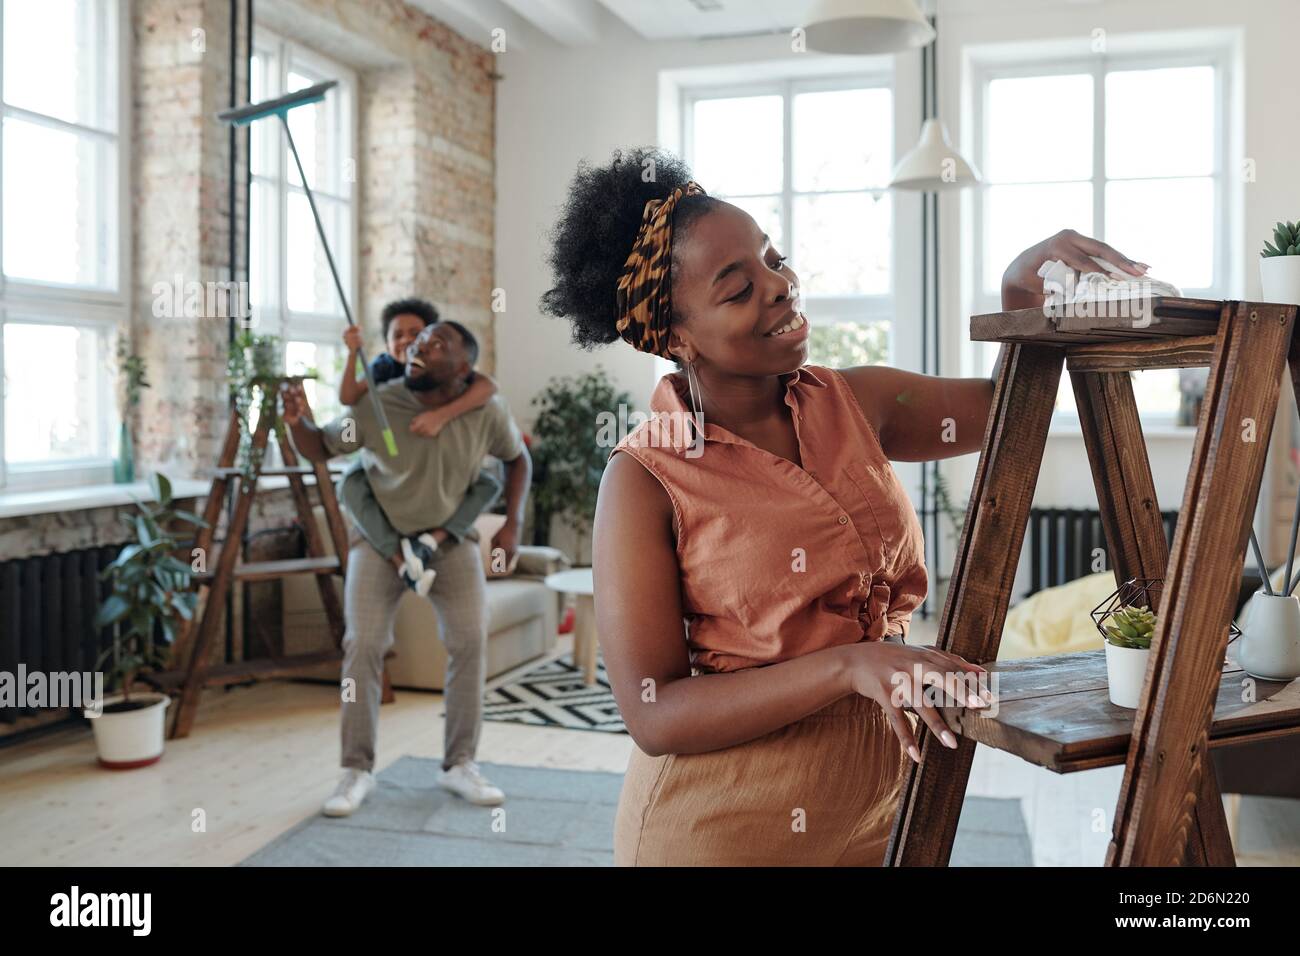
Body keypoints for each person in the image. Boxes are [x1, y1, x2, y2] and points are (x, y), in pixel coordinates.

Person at [539, 146, 1148, 865]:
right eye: (738, 290)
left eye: (775, 258)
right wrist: (849, 665)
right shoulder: (645, 477)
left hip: (880, 803)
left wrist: (1018, 301)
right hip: (721, 824)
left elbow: (1008, 416)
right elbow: (654, 711)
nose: (780, 286)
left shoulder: (857, 401)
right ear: (674, 336)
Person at [282, 320, 532, 815]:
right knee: (364, 644)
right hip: (379, 543)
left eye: (435, 343)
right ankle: (356, 770)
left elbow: (517, 458)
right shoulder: (379, 404)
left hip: (449, 539)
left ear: (463, 369)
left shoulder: (485, 411)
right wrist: (297, 424)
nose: (418, 347)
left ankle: (460, 763)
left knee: (469, 639)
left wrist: (513, 524)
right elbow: (321, 446)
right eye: (415, 342)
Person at [337, 297, 503, 596]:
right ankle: (402, 561)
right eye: (396, 336)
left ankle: (431, 541)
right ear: (387, 345)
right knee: (350, 483)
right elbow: (348, 396)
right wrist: (352, 354)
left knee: (487, 483)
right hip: (389, 471)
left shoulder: (446, 375)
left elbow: (489, 386)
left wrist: (441, 416)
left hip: (430, 482)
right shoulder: (383, 369)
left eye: (417, 334)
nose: (408, 342)